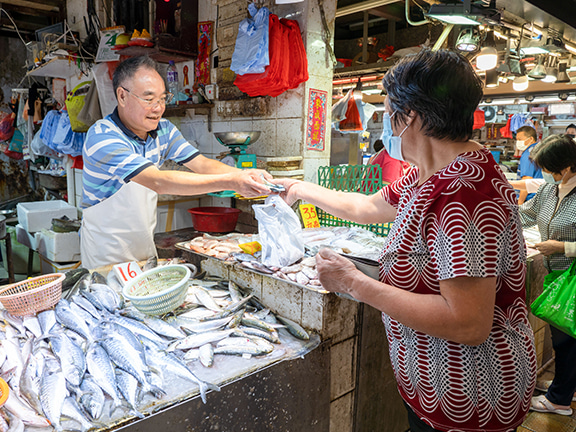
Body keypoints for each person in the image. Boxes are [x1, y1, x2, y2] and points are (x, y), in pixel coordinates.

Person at [275, 49, 536, 432]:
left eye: (387, 115)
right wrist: (298, 188)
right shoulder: (429, 173)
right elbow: (367, 206)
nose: (387, 128)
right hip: (434, 384)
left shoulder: (462, 191)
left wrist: (354, 283)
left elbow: (467, 322)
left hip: (471, 395)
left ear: (410, 116)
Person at [81, 56, 271, 269]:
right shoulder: (102, 136)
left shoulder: (163, 130)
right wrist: (231, 182)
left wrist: (243, 175)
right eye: (149, 99)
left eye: (163, 99)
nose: (158, 108)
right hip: (106, 254)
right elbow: (158, 182)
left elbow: (202, 165)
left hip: (144, 248)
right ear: (122, 96)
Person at [518, 134, 576, 416]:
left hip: (573, 278)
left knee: (567, 340)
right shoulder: (550, 191)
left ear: (565, 167)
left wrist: (561, 246)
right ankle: (566, 386)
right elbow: (525, 214)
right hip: (557, 276)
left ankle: (559, 401)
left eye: (547, 168)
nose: (544, 174)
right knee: (564, 338)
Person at [515, 125, 543, 205]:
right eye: (517, 140)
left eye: (520, 139)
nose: (518, 142)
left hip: (531, 200)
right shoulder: (539, 149)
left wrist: (519, 203)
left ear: (531, 139)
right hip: (541, 198)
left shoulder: (528, 154)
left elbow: (527, 180)